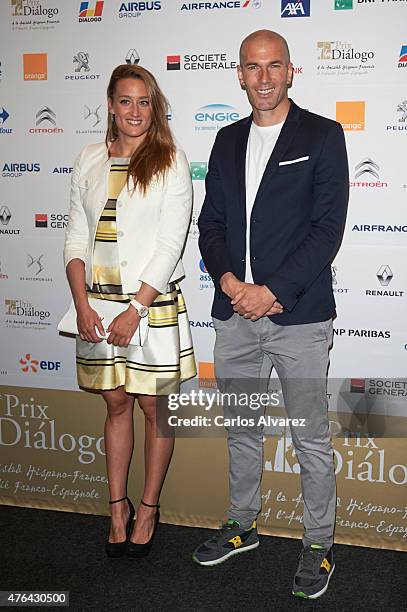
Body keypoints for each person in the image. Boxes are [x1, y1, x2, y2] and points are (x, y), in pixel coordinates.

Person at [194, 30, 349, 600]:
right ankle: (242, 526)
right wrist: (233, 283)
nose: (263, 77)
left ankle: (319, 545)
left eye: (274, 66)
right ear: (239, 74)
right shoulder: (226, 139)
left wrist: (273, 290)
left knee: (309, 437)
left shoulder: (323, 135)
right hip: (235, 315)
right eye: (252, 68)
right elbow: (211, 225)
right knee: (241, 431)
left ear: (291, 71)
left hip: (299, 317)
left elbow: (327, 229)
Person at [64, 64, 196, 558]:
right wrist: (80, 303)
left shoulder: (170, 160)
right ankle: (115, 507)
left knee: (152, 408)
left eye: (144, 102)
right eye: (125, 101)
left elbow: (169, 244)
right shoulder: (89, 158)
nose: (135, 111)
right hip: (97, 305)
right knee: (116, 404)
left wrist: (135, 310)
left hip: (150, 305)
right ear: (111, 105)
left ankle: (148, 508)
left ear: (154, 106)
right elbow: (75, 236)